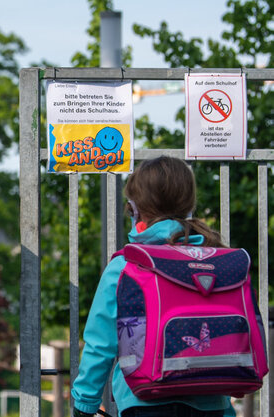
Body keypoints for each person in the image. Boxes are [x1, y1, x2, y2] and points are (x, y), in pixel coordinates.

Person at [71, 156, 236, 417]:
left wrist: (84, 403)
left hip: (144, 400)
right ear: (189, 204)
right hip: (211, 402)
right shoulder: (217, 261)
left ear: (135, 210)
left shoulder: (127, 265)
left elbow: (100, 343)